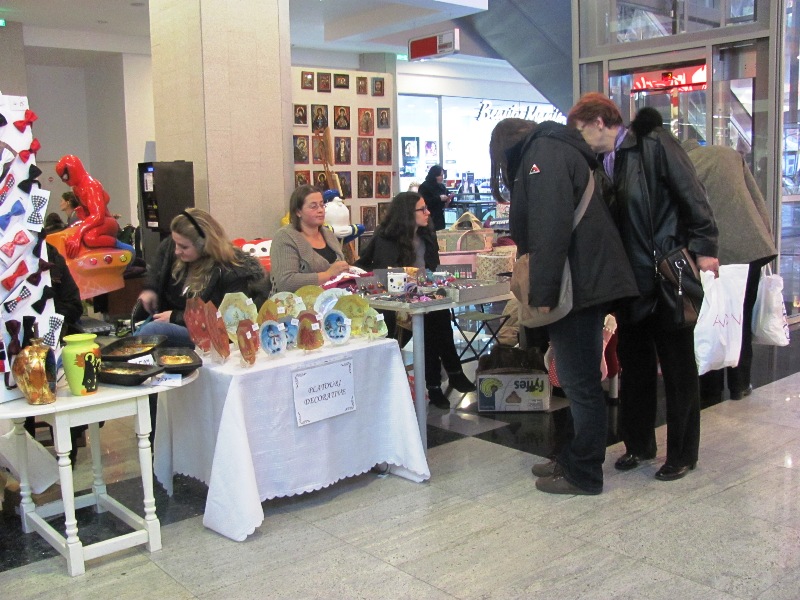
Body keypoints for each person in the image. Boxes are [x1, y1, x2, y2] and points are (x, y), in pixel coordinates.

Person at [568, 94, 719, 482]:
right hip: (628, 281)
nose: (581, 138)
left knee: (678, 366)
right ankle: (639, 444)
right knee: (635, 366)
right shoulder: (601, 163)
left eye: (581, 130)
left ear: (599, 122)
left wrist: (705, 247)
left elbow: (692, 194)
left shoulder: (653, 144)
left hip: (665, 272)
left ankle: (683, 452)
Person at [489, 118, 638, 495]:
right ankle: (572, 457)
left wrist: (543, 293)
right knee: (575, 379)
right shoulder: (554, 148)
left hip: (579, 285)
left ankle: (584, 472)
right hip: (585, 280)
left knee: (579, 381)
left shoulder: (543, 153)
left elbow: (549, 228)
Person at [355, 192, 477, 408]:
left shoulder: (427, 235)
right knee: (432, 320)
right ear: (407, 214)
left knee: (436, 315)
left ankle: (439, 383)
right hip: (396, 304)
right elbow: (373, 269)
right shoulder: (385, 239)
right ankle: (448, 375)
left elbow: (433, 269)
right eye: (422, 209)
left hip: (423, 296)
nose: (428, 212)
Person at [681, 139, 777, 402]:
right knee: (741, 317)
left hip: (714, 254)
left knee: (714, 318)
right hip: (752, 246)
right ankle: (740, 384)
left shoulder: (685, 164)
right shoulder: (729, 155)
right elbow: (756, 199)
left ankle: (711, 388)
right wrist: (766, 237)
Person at [136, 208, 269, 346]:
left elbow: (224, 321)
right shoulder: (176, 246)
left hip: (213, 335)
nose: (176, 251)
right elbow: (157, 267)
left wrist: (176, 317)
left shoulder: (233, 271)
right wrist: (150, 289)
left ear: (204, 245)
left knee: (152, 330)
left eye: (184, 247)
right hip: (177, 321)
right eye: (175, 243)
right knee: (140, 335)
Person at [270, 185, 350, 293]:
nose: (320, 210)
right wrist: (328, 275)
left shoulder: (329, 234)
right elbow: (285, 282)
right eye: (313, 206)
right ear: (298, 212)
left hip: (333, 297)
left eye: (322, 205)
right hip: (297, 301)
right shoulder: (285, 237)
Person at [417, 165, 452, 230]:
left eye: (443, 175)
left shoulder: (441, 186)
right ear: (434, 176)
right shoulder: (424, 186)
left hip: (439, 217)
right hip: (429, 217)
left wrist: (449, 198)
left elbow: (448, 194)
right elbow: (424, 201)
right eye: (440, 175)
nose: (442, 178)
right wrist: (439, 199)